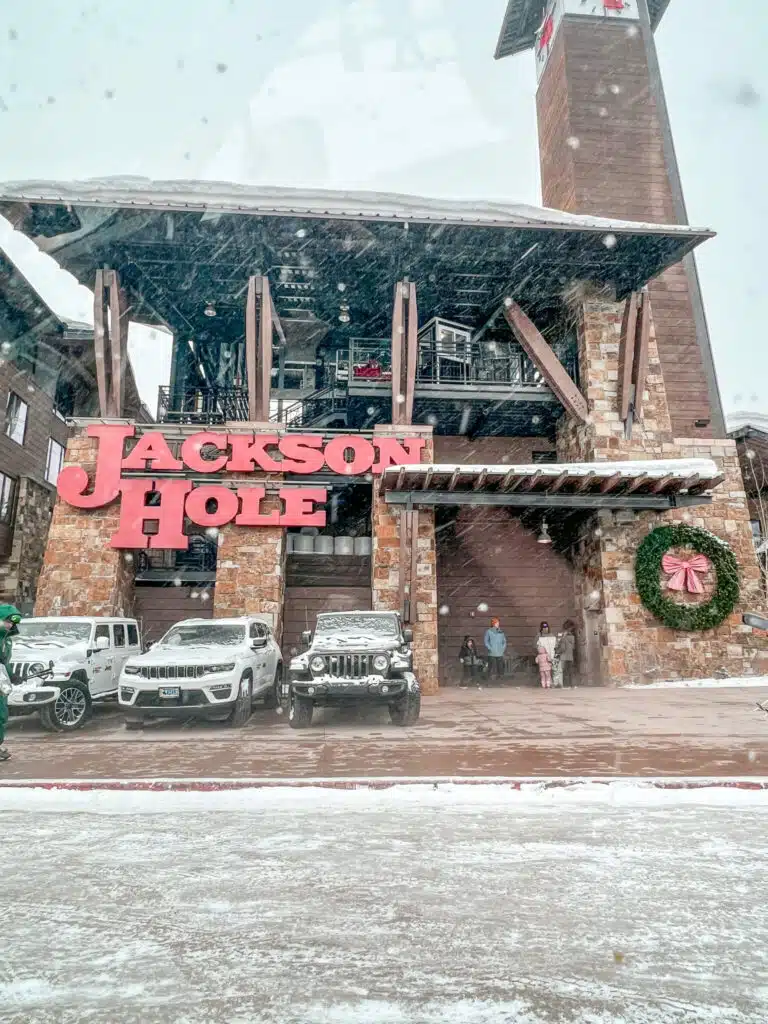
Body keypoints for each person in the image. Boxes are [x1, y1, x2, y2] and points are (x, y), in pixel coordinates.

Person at [0, 604, 22, 762]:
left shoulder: (6, 641)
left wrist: (12, 675)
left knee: (2, 714)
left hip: (1, 682)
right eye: (8, 621)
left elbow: (5, 662)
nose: (11, 625)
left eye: (13, 623)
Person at [536, 621, 559, 689]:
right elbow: (536, 645)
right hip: (543, 658)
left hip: (552, 655)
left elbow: (556, 644)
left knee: (554, 670)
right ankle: (546, 683)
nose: (545, 629)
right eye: (544, 627)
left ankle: (554, 683)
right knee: (545, 672)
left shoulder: (552, 635)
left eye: (546, 627)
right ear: (541, 628)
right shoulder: (539, 635)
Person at [484, 618, 507, 682]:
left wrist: (502, 649)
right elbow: (486, 641)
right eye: (497, 623)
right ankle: (491, 680)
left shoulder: (501, 632)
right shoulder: (489, 631)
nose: (498, 624)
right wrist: (490, 648)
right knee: (492, 666)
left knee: (500, 666)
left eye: (498, 623)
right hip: (492, 653)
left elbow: (504, 641)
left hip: (500, 653)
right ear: (493, 624)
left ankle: (500, 679)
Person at [557, 620, 577, 688]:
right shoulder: (572, 636)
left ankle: (562, 684)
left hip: (563, 656)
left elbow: (560, 646)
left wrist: (557, 652)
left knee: (561, 671)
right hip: (570, 656)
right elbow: (573, 647)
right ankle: (572, 685)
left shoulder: (561, 635)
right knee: (570, 671)